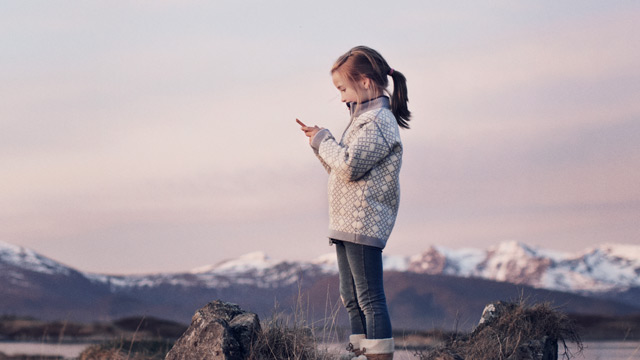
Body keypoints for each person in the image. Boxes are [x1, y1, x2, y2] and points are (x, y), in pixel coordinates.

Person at [298, 46, 410, 360]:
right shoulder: (363, 120)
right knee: (351, 297)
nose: (342, 97)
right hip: (346, 223)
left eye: (343, 89)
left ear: (364, 81)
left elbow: (347, 166)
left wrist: (324, 139)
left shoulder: (377, 122)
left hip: (363, 221)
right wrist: (318, 144)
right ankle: (358, 352)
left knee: (370, 298)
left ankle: (378, 357)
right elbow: (342, 170)